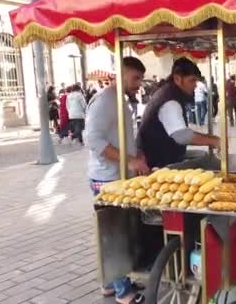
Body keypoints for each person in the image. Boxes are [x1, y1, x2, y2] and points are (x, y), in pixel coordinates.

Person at [85, 56, 149, 304]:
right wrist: (130, 161)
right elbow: (95, 141)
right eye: (135, 78)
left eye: (140, 79)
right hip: (106, 177)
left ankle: (111, 283)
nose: (139, 84)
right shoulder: (104, 101)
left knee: (115, 230)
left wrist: (135, 155)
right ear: (120, 74)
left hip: (119, 175)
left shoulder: (120, 99)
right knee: (115, 232)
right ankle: (123, 292)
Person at [137, 57, 220, 169]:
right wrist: (214, 141)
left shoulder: (168, 92)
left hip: (168, 154)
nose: (195, 85)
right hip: (158, 162)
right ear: (177, 79)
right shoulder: (170, 101)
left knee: (203, 155)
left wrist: (211, 138)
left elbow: (182, 131)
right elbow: (182, 136)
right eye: (192, 80)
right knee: (207, 162)